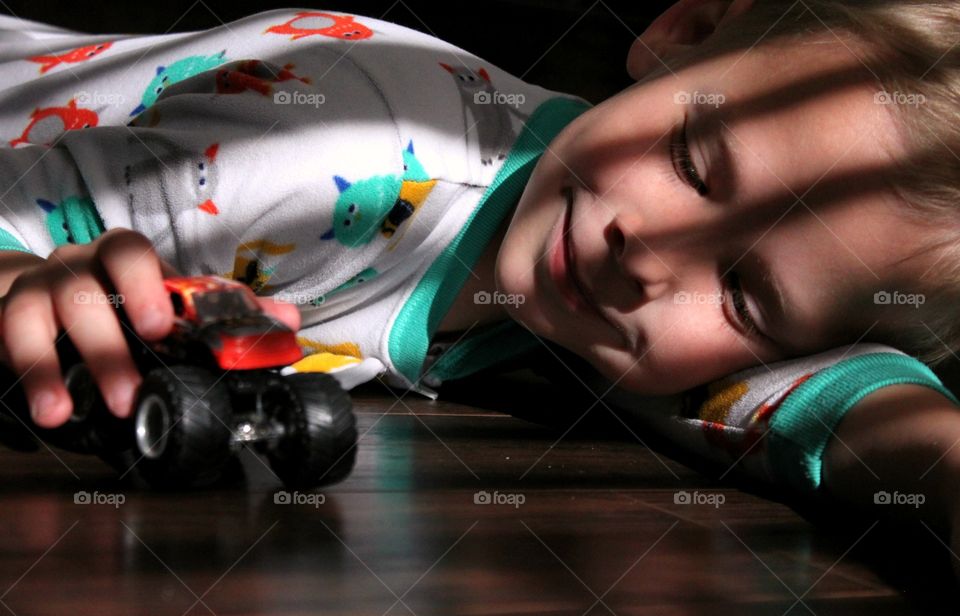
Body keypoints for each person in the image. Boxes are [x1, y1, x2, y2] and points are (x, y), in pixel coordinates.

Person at [1, 1, 960, 572]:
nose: (650, 255)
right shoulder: (337, 159)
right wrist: (19, 279)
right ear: (689, 29)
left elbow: (818, 401)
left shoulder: (592, 289)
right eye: (694, 163)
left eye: (746, 295)